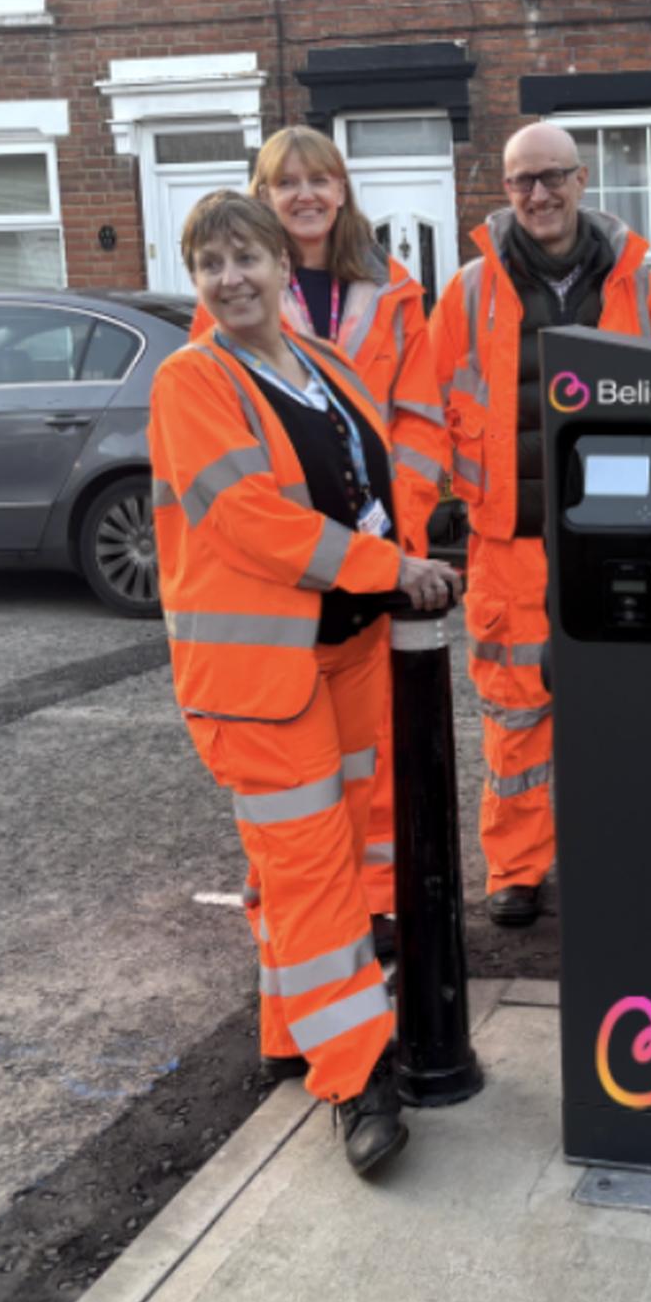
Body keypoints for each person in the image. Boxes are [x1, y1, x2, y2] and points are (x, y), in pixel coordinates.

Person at [149, 190, 461, 1175]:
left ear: (287, 266)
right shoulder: (191, 381)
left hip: (344, 655)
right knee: (316, 875)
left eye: (246, 257)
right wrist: (388, 570)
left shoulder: (320, 365)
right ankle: (357, 1079)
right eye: (211, 265)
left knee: (313, 865)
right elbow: (248, 518)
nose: (231, 278)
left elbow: (372, 481)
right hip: (259, 677)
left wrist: (423, 540)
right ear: (196, 282)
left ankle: (291, 1035)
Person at [188, 126, 445, 952]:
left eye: (319, 178)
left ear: (342, 189)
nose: (305, 194)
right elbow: (237, 482)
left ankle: (371, 911)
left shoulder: (391, 288)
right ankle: (307, 940)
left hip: (374, 563)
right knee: (295, 809)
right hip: (293, 587)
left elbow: (419, 415)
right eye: (284, 182)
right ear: (262, 201)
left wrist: (394, 520)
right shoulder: (229, 303)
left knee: (368, 768)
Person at [427, 122, 651, 926]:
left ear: (582, 177)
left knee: (619, 708)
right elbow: (427, 416)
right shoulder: (466, 292)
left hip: (618, 539)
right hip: (511, 544)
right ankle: (516, 869)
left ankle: (617, 850)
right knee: (515, 716)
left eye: (553, 176)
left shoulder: (639, 284)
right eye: (522, 180)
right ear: (506, 191)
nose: (539, 193)